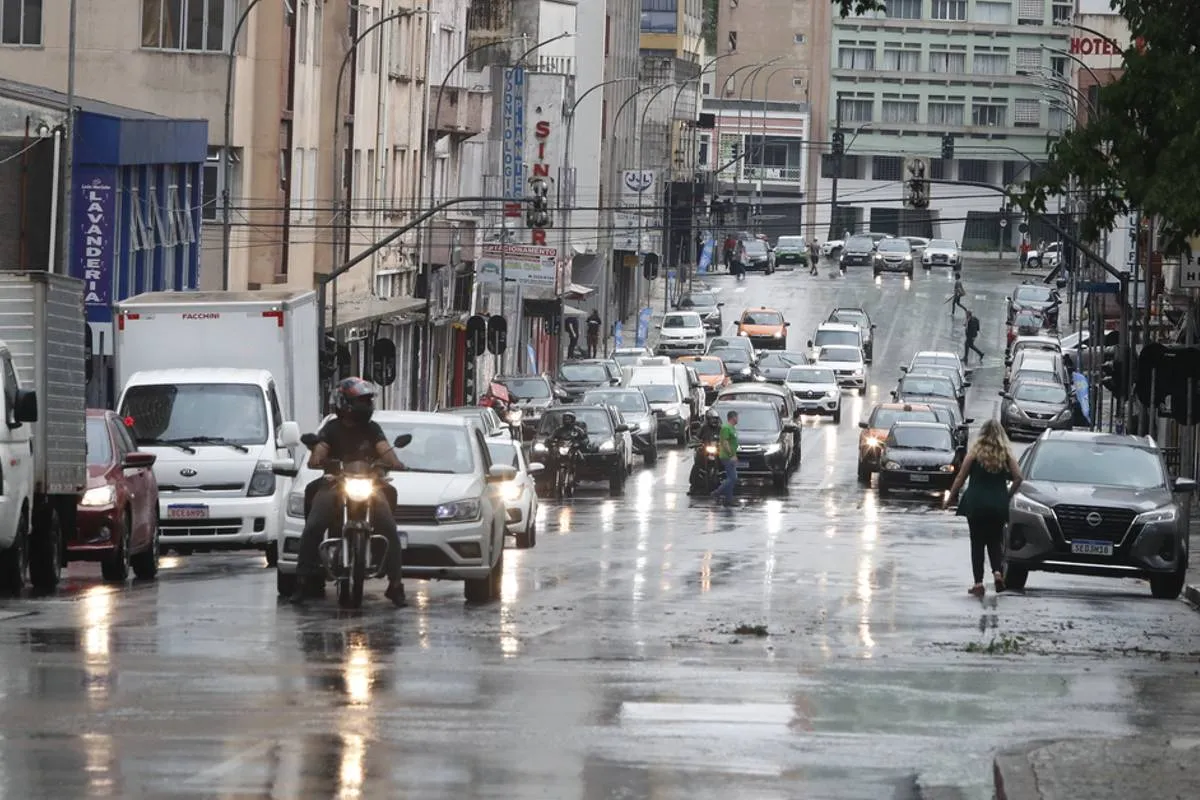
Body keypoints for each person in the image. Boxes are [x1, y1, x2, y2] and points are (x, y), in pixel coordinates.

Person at [293, 377, 407, 607]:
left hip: (369, 485)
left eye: (367, 401)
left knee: (390, 528)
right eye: (360, 401)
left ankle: (396, 585)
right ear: (344, 403)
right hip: (336, 484)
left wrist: (394, 462)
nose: (365, 405)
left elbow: (386, 451)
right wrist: (317, 454)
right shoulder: (331, 428)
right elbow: (318, 455)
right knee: (314, 526)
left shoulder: (372, 429)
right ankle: (303, 580)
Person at [945, 420, 1023, 597]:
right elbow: (1018, 477)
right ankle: (997, 573)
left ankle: (978, 583)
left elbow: (960, 477)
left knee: (977, 542)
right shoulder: (1005, 454)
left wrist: (950, 498)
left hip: (976, 503)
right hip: (997, 504)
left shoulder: (975, 453)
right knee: (995, 540)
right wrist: (1007, 496)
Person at [710, 410, 740, 506]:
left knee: (730, 478)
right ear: (733, 417)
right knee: (733, 478)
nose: (738, 419)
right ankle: (717, 492)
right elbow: (725, 443)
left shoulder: (732, 428)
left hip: (730, 456)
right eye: (737, 417)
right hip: (727, 456)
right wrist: (732, 455)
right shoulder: (726, 428)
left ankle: (728, 500)